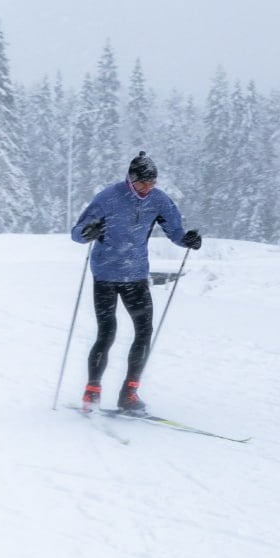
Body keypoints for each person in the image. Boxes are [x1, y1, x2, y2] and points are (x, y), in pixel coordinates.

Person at [70, 151, 202, 414]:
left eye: (151, 184)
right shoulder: (108, 198)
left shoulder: (159, 201)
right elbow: (77, 233)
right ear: (131, 179)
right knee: (107, 333)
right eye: (142, 183)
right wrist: (88, 233)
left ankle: (129, 393)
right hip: (106, 274)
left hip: (136, 275)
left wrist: (187, 240)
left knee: (144, 331)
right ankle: (92, 391)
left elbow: (175, 231)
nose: (147, 188)